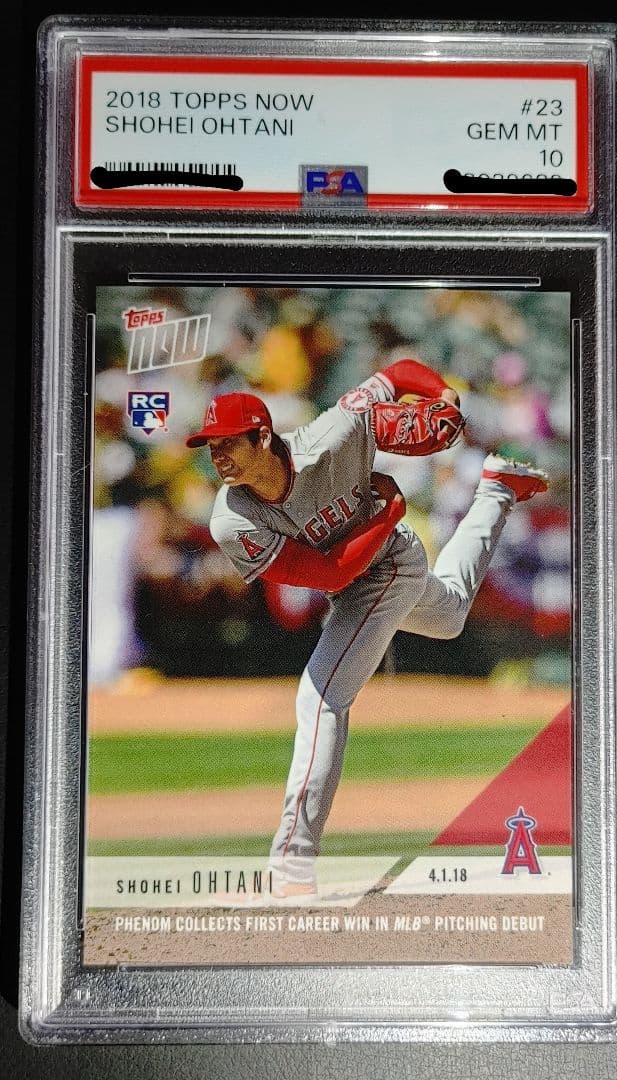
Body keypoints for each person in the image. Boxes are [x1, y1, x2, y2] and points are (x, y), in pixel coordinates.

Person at [185, 358, 548, 900]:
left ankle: (292, 865)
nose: (217, 456)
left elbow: (398, 373)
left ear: (262, 437)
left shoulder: (334, 431)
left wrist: (445, 395)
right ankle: (497, 489)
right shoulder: (232, 518)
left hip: (390, 564)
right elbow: (329, 574)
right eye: (211, 446)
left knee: (321, 697)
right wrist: (388, 511)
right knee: (449, 616)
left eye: (227, 443)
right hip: (357, 569)